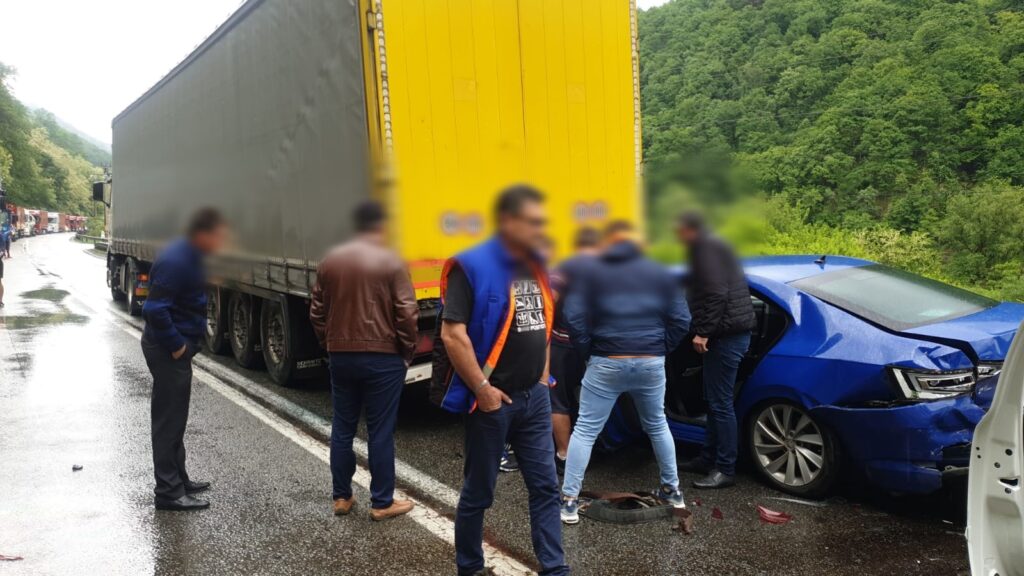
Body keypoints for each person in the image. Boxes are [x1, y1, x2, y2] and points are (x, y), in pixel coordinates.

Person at [436, 185, 569, 576]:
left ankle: (555, 568)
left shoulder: (535, 263)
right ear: (508, 221)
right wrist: (483, 390)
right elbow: (452, 334)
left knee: (545, 487)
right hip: (493, 403)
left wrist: (542, 377)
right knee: (479, 493)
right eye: (533, 222)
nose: (540, 229)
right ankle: (470, 567)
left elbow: (543, 323)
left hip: (535, 398)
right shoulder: (471, 266)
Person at [559, 220, 691, 524]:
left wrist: (588, 351)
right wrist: (660, 348)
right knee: (657, 424)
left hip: (607, 359)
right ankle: (672, 492)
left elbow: (573, 316)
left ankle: (569, 503)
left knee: (585, 430)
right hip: (651, 362)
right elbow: (682, 320)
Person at [309, 201, 419, 521]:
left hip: (341, 355)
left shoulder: (330, 261)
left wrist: (330, 344)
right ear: (381, 225)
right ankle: (382, 501)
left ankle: (341, 497)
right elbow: (407, 312)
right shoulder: (391, 260)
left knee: (342, 426)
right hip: (384, 357)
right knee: (380, 430)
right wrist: (407, 351)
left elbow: (316, 311)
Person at [141, 207, 227, 511]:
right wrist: (177, 345)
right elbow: (154, 309)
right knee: (169, 421)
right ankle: (168, 492)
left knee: (176, 419)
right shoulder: (177, 259)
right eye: (219, 236)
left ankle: (179, 479)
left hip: (172, 348)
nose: (222, 242)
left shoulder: (189, 254)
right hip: (166, 349)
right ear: (203, 234)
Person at [676, 211, 756, 489]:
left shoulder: (705, 249)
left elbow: (716, 292)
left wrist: (703, 332)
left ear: (689, 229)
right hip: (729, 334)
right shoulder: (715, 244)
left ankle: (725, 468)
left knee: (721, 404)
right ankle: (707, 458)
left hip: (725, 337)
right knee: (713, 401)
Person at [548, 227, 601, 472]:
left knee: (557, 399)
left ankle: (565, 455)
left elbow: (550, 300)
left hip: (562, 344)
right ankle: (588, 448)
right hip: (593, 346)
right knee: (583, 397)